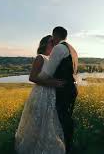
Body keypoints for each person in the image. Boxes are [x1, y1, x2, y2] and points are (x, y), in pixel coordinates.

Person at [15, 35, 66, 154]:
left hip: (51, 94)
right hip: (40, 94)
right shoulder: (40, 57)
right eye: (51, 42)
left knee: (49, 122)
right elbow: (32, 77)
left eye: (55, 43)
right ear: (44, 44)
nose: (54, 45)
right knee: (37, 121)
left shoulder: (53, 60)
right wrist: (52, 83)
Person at [33, 26, 78, 154]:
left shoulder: (59, 48)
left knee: (61, 121)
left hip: (63, 90)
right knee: (65, 119)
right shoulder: (72, 49)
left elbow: (48, 72)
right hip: (71, 88)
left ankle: (64, 148)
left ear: (54, 36)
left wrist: (41, 80)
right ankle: (66, 146)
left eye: (52, 38)